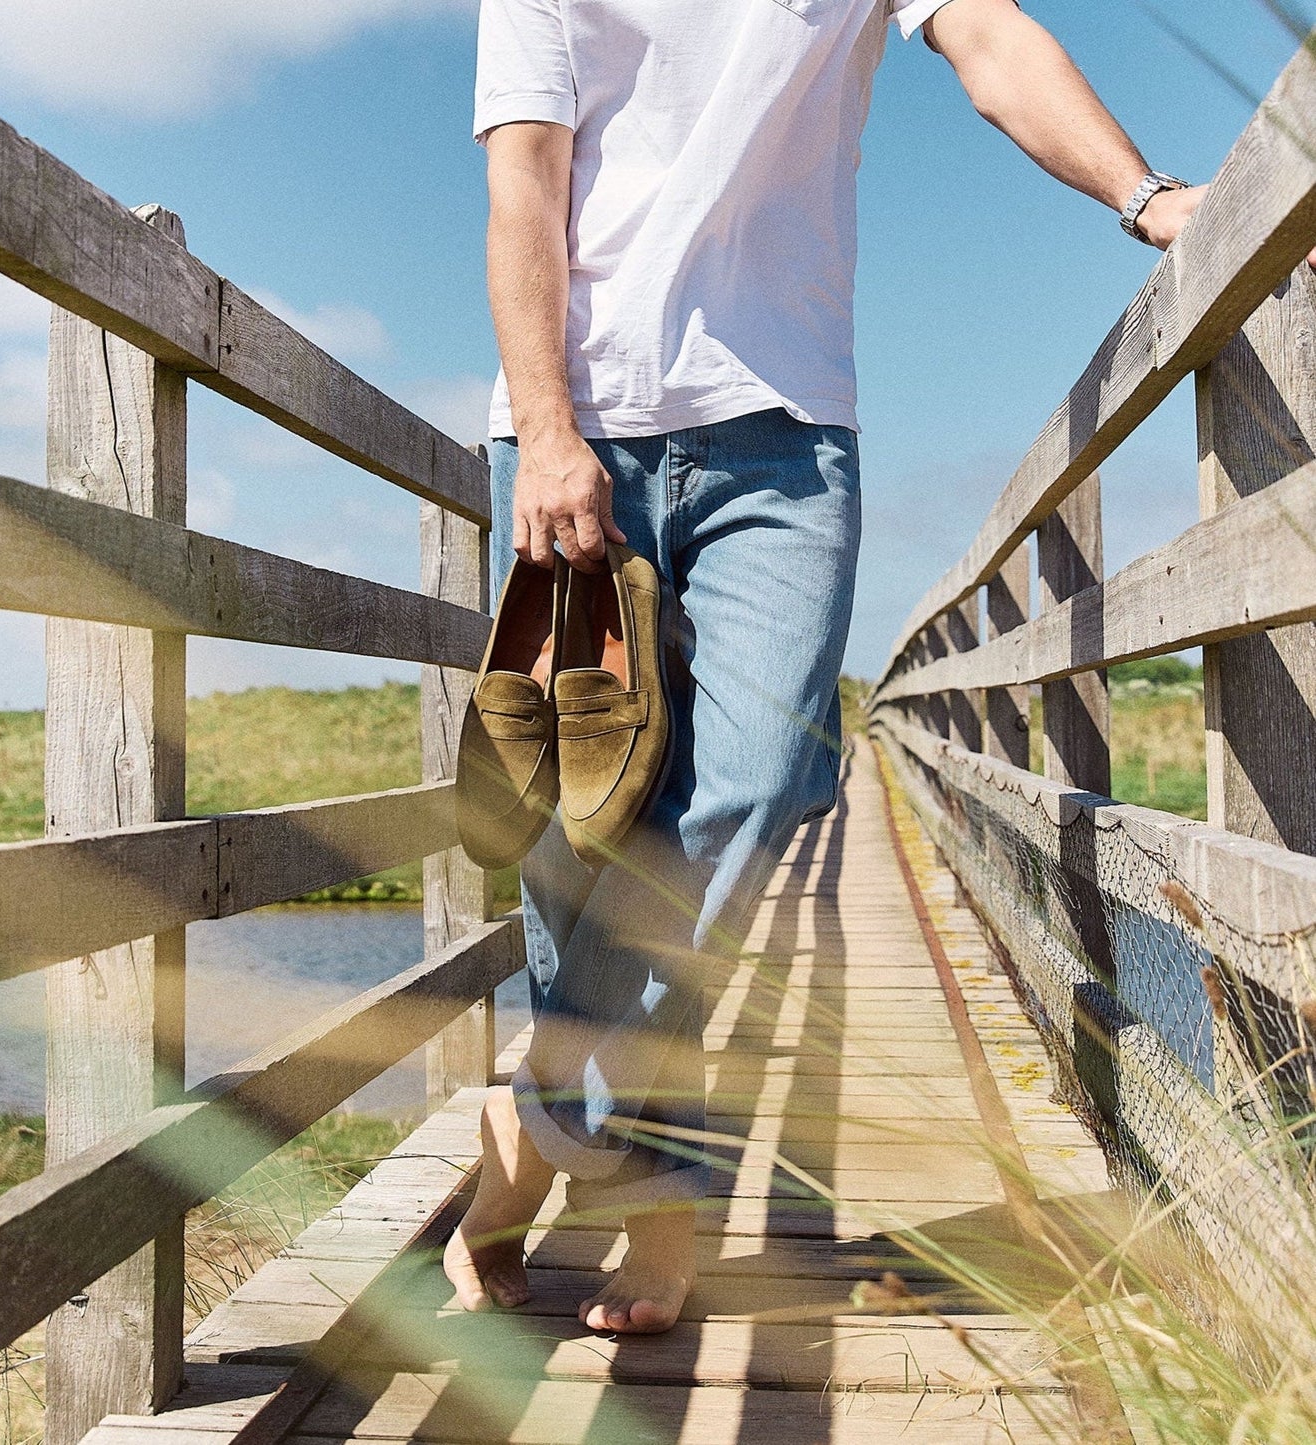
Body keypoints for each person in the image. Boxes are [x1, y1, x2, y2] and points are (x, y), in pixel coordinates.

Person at [443, 0, 1211, 1335]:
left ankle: (538, 1121)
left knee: (757, 788)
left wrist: (1147, 199)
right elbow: (525, 176)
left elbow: (984, 33)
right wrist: (549, 429)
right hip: (583, 432)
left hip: (785, 429)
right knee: (582, 831)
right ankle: (661, 1215)